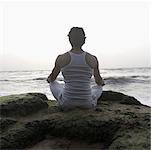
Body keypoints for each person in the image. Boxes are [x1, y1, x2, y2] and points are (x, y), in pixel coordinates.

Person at [47, 27, 104, 110]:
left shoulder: (61, 58)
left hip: (66, 103)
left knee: (53, 83)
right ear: (84, 40)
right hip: (87, 103)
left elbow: (52, 78)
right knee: (98, 87)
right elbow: (98, 81)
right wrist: (102, 83)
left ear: (69, 39)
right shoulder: (92, 58)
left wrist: (49, 79)